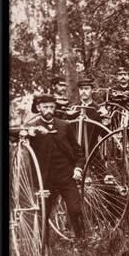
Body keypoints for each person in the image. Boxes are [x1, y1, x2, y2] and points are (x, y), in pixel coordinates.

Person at [27, 93, 86, 245]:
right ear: (39, 108)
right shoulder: (32, 126)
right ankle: (44, 248)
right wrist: (28, 132)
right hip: (46, 180)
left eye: (51, 107)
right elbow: (12, 133)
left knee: (75, 210)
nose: (49, 110)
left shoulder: (64, 125)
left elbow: (79, 151)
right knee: (43, 214)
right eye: (45, 107)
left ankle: (82, 242)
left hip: (67, 177)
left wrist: (78, 168)